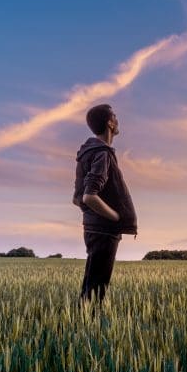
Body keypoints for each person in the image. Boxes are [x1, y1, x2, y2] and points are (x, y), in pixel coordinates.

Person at [73, 104, 138, 302]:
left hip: (93, 227)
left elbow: (76, 198)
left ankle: (80, 325)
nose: (118, 121)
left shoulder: (88, 153)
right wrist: (115, 217)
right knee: (97, 289)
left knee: (92, 285)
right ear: (110, 123)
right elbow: (88, 196)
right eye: (115, 117)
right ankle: (86, 329)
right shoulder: (102, 153)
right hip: (104, 229)